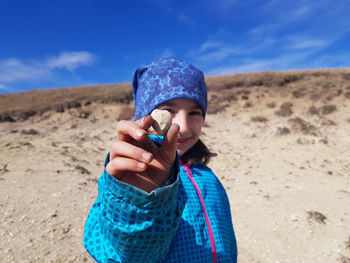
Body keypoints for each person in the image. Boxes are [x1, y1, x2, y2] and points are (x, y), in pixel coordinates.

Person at [83, 57, 238, 263]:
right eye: (168, 111)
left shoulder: (209, 178)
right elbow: (120, 254)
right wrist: (138, 199)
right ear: (145, 115)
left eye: (194, 112)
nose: (181, 126)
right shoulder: (124, 183)